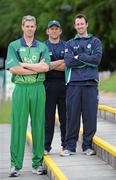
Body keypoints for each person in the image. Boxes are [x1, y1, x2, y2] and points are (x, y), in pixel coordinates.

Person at [5, 15, 50, 177]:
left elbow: (45, 67)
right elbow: (14, 69)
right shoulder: (14, 46)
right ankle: (15, 165)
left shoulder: (42, 47)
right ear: (22, 27)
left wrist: (23, 64)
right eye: (27, 26)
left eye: (32, 26)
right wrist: (35, 67)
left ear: (36, 27)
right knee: (18, 126)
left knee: (39, 125)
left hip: (38, 88)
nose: (30, 28)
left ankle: (37, 164)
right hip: (21, 89)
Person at [61, 14, 102, 156]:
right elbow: (69, 61)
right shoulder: (70, 43)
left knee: (90, 116)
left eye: (82, 23)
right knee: (72, 116)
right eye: (77, 24)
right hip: (74, 84)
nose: (79, 26)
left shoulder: (95, 41)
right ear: (74, 26)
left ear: (87, 24)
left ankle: (87, 146)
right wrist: (87, 57)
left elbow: (96, 60)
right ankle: (70, 147)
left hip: (90, 84)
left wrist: (80, 56)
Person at [44, 20, 66, 154]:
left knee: (65, 117)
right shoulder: (42, 46)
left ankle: (66, 145)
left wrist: (51, 65)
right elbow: (44, 67)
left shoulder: (66, 45)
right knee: (48, 118)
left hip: (64, 85)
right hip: (48, 85)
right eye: (51, 28)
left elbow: (68, 66)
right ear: (47, 31)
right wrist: (59, 62)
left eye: (56, 28)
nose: (53, 31)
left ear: (60, 30)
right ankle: (46, 146)